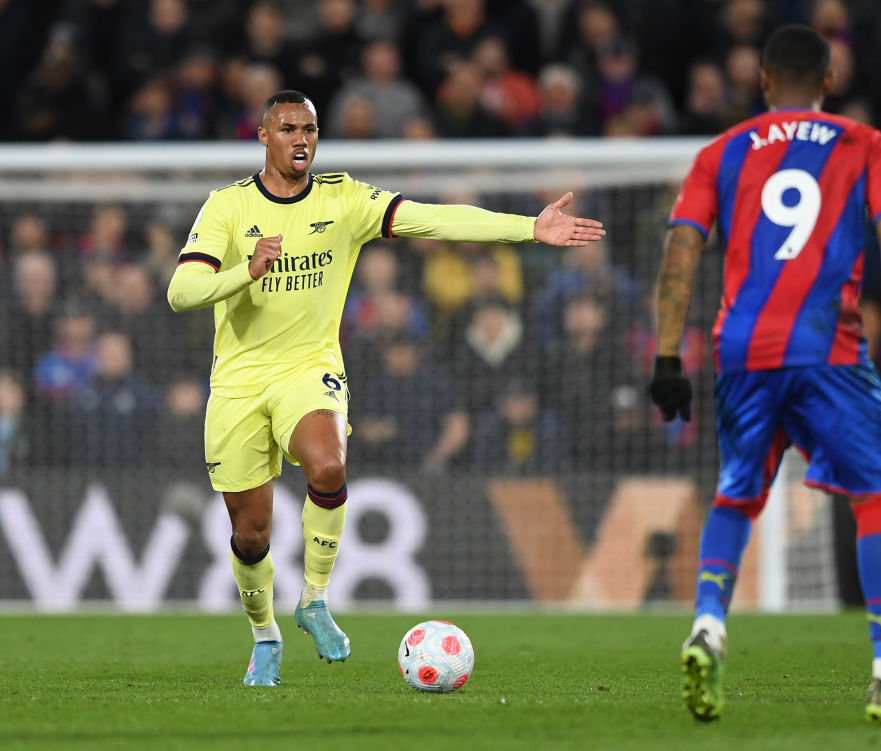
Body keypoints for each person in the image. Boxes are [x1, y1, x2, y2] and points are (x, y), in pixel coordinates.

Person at [165, 89, 603, 687]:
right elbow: (181, 292)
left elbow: (435, 217)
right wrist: (248, 270)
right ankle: (264, 634)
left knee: (327, 468)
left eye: (310, 129)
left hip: (308, 367)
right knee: (250, 533)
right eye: (288, 128)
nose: (301, 139)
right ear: (263, 137)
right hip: (238, 381)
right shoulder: (227, 208)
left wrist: (529, 228)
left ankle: (314, 599)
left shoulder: (344, 199)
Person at [648, 25, 881, 726]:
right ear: (829, 79)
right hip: (829, 351)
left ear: (761, 82)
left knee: (736, 493)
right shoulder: (864, 143)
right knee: (877, 496)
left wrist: (667, 356)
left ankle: (707, 624)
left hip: (742, 350)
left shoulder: (720, 153)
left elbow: (679, 254)